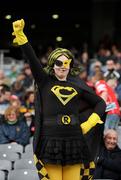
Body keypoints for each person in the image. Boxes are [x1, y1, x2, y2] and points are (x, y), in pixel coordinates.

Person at [12, 19, 106, 180]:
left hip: (75, 141)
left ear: (70, 65)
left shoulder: (78, 85)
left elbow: (100, 103)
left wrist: (89, 123)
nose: (63, 66)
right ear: (52, 64)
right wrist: (21, 37)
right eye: (59, 62)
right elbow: (32, 59)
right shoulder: (44, 81)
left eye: (67, 63)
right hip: (50, 141)